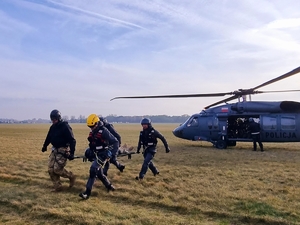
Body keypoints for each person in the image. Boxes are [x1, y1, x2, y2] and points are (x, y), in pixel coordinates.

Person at [79, 114, 118, 200]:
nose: (91, 128)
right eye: (90, 126)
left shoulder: (104, 131)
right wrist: (89, 153)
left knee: (93, 169)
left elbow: (115, 142)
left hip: (103, 154)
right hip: (96, 153)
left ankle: (87, 193)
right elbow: (93, 144)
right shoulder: (93, 131)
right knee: (99, 173)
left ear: (96, 123)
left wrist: (113, 155)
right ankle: (109, 186)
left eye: (92, 126)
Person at [41, 109, 76, 192]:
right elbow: (48, 137)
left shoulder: (65, 126)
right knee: (50, 169)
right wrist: (44, 146)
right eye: (52, 119)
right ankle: (58, 187)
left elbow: (72, 140)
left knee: (57, 169)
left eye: (55, 119)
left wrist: (72, 153)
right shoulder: (52, 127)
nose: (53, 121)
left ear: (59, 118)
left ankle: (71, 176)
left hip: (63, 149)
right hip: (55, 149)